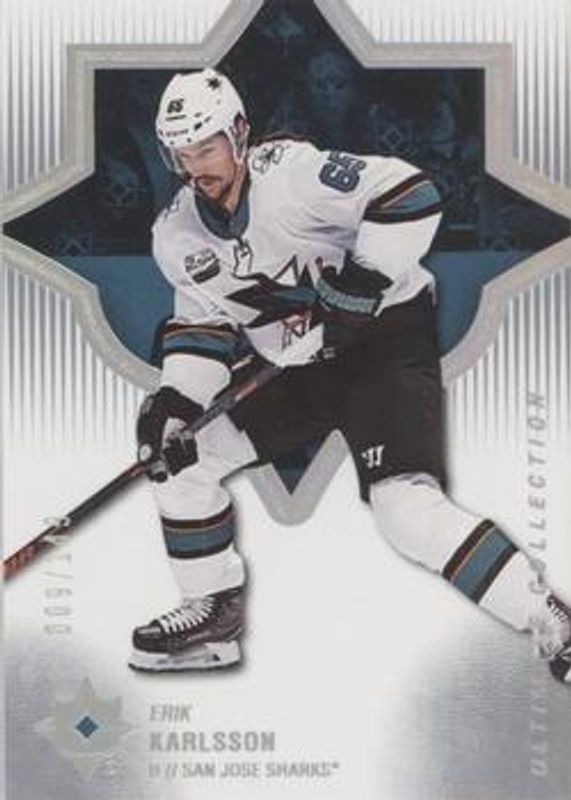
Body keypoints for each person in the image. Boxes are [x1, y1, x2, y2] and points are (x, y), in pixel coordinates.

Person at [130, 68, 570, 684]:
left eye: (206, 148)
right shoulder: (175, 234)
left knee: (404, 512)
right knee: (182, 461)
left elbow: (412, 194)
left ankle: (550, 619)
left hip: (381, 347)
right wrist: (176, 402)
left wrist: (362, 283)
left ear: (239, 133)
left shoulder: (292, 175)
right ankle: (214, 614)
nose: (195, 166)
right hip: (293, 368)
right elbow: (202, 328)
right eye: (181, 153)